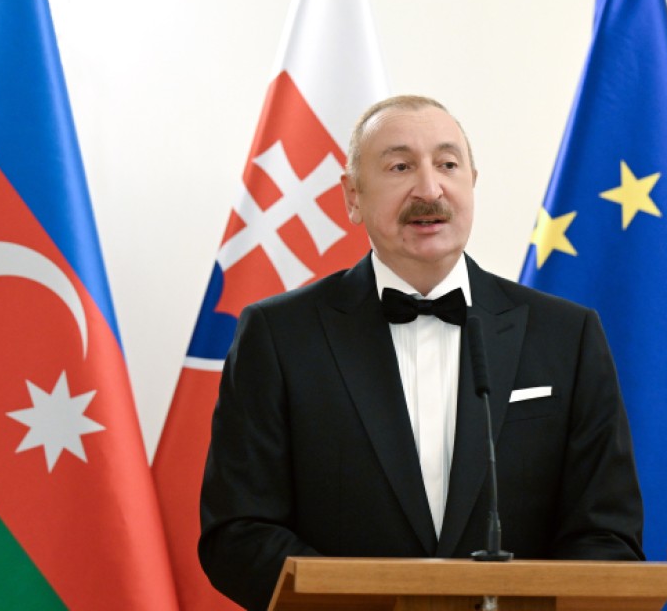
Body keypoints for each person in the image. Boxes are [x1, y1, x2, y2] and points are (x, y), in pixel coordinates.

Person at [199, 95, 643, 610]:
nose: (430, 190)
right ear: (353, 196)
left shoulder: (567, 334)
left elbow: (608, 534)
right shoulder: (278, 335)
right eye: (400, 167)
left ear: (472, 182)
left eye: (448, 165)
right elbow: (240, 532)